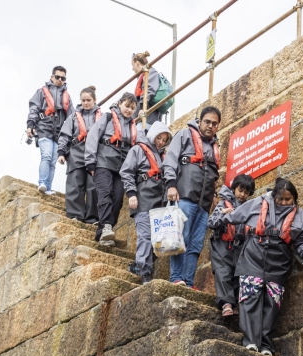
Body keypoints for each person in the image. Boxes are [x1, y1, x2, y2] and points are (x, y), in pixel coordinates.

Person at [220, 177, 303, 356]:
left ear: (294, 198)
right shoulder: (259, 203)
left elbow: (302, 241)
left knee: (272, 301)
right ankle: (251, 341)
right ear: (274, 196)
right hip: (254, 253)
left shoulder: (300, 216)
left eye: (288, 199)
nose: (284, 202)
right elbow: (235, 215)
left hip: (279, 260)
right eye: (281, 198)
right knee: (250, 295)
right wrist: (223, 215)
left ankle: (265, 344)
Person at [163, 106, 222, 288]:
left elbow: (211, 173)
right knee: (180, 238)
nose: (210, 126)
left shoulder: (214, 146)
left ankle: (188, 281)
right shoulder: (185, 134)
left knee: (196, 244)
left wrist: (214, 197)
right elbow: (170, 161)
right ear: (200, 121)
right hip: (185, 197)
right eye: (207, 122)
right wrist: (171, 185)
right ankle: (176, 278)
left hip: (203, 204)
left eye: (214, 124)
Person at [120, 121, 172, 284]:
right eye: (159, 138)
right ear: (153, 135)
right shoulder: (138, 150)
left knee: (160, 241)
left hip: (160, 203)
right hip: (142, 199)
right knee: (145, 236)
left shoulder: (164, 156)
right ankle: (145, 273)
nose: (161, 142)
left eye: (164, 140)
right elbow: (126, 172)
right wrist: (131, 194)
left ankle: (139, 264)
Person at [85, 92, 139, 245]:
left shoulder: (134, 126)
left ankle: (103, 231)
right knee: (105, 193)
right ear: (120, 103)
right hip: (103, 162)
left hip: (121, 167)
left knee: (118, 199)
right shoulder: (107, 118)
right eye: (127, 106)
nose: (129, 110)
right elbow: (92, 137)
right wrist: (90, 162)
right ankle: (107, 228)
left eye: (132, 108)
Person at [208, 174, 256, 316]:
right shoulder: (223, 204)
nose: (242, 195)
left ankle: (235, 304)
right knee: (223, 272)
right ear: (234, 188)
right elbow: (211, 222)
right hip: (222, 245)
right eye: (240, 190)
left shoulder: (249, 208)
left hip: (239, 246)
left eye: (246, 192)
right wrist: (223, 215)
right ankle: (226, 304)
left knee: (238, 274)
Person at [57, 86, 101, 224]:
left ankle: (92, 218)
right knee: (75, 184)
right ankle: (75, 215)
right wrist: (61, 152)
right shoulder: (73, 117)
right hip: (76, 153)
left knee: (93, 186)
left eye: (88, 100)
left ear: (94, 100)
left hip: (95, 155)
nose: (86, 103)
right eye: (83, 100)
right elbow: (64, 135)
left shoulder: (102, 117)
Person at [27, 66, 74, 195]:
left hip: (58, 133)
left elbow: (72, 117)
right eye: (57, 77)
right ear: (52, 77)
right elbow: (34, 108)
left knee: (53, 162)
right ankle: (42, 183)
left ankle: (47, 188)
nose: (60, 80)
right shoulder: (41, 92)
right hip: (44, 129)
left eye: (62, 78)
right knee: (46, 156)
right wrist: (30, 124)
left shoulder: (67, 97)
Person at [132, 52, 164, 126]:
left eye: (132, 65)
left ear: (137, 63)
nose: (132, 68)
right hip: (141, 116)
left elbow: (149, 90)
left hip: (149, 118)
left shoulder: (150, 72)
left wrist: (143, 108)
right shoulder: (143, 75)